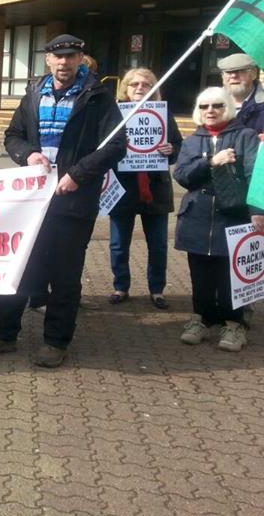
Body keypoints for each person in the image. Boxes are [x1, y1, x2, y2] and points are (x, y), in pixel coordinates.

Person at [0, 34, 126, 368]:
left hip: (74, 203)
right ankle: (3, 334)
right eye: (59, 57)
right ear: (48, 59)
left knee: (65, 276)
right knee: (20, 269)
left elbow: (116, 147)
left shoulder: (98, 97)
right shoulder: (33, 94)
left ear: (80, 58)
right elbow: (12, 136)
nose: (65, 63)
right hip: (32, 203)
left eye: (71, 56)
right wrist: (27, 155)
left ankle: (56, 342)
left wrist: (77, 175)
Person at [173, 87, 264, 351]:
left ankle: (234, 324)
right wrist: (211, 162)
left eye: (216, 105)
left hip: (233, 217)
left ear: (228, 108)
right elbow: (182, 176)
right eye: (204, 107)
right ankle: (200, 319)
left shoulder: (245, 136)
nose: (210, 111)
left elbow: (254, 176)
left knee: (230, 276)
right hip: (197, 216)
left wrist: (257, 212)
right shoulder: (192, 141)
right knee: (199, 274)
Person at [108, 68, 182, 309]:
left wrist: (172, 150)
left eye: (146, 84)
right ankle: (121, 286)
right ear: (125, 89)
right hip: (123, 189)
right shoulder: (113, 114)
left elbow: (179, 147)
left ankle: (157, 290)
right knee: (118, 244)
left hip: (155, 189)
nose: (140, 88)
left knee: (158, 244)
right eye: (134, 84)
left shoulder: (164, 114)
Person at [219, 53, 264, 133]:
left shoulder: (261, 106)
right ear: (222, 76)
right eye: (228, 72)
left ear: (253, 74)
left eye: (240, 71)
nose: (233, 76)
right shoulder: (210, 104)